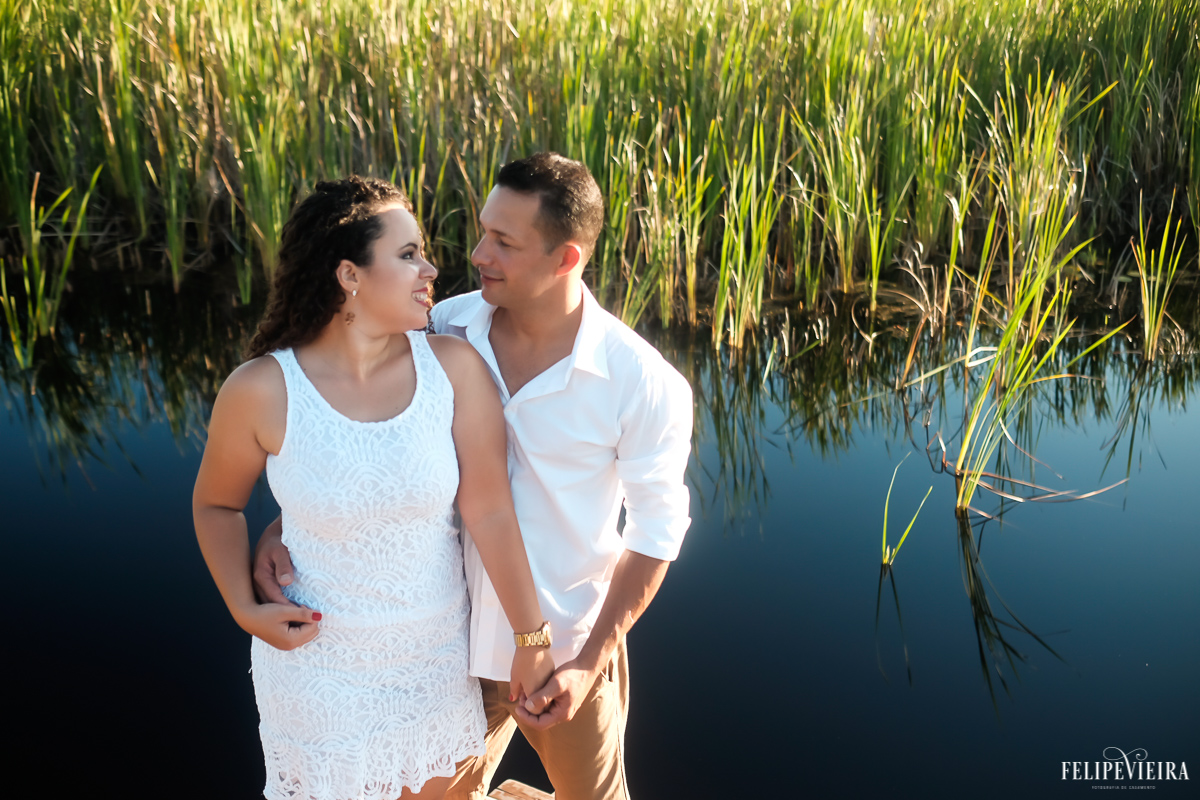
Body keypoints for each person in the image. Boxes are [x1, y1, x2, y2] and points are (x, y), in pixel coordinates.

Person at [255, 153, 694, 800]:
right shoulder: (443, 326)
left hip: (564, 649)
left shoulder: (641, 382)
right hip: (445, 647)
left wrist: (590, 662)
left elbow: (656, 537)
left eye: (505, 242)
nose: (479, 251)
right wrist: (283, 524)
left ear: (565, 260)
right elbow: (368, 443)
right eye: (483, 228)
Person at [193, 176, 554, 800]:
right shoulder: (260, 390)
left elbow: (491, 512)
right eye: (409, 254)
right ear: (349, 275)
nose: (432, 269)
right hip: (318, 672)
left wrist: (532, 639)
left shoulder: (453, 368)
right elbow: (217, 505)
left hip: (433, 664)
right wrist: (243, 608)